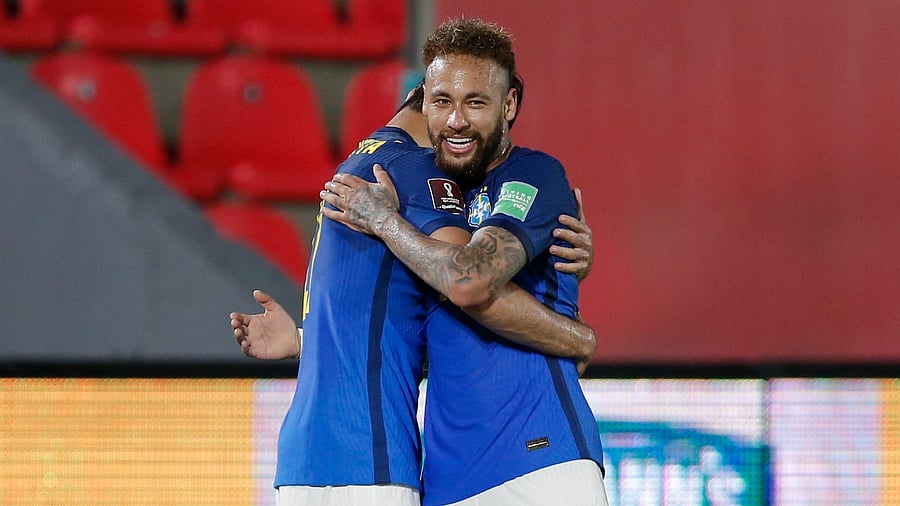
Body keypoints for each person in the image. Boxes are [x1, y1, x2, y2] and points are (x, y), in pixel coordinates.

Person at [231, 83, 597, 505]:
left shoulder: (358, 164)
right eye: (448, 108)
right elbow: (467, 282)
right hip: (370, 453)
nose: (459, 129)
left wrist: (303, 339)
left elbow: (386, 314)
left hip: (304, 460)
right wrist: (576, 337)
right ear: (430, 106)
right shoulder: (414, 168)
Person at [321, 18, 609, 505]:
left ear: (509, 105)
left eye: (475, 102)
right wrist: (303, 340)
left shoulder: (532, 173)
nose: (456, 121)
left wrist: (384, 222)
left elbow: (470, 281)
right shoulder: (429, 198)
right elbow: (410, 333)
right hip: (447, 482)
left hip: (541, 463)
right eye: (442, 102)